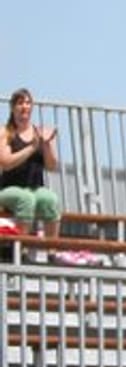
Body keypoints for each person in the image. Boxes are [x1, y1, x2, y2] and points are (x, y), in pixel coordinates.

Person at [0, 88, 63, 248]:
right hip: (8, 189)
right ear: (13, 107)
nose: (24, 107)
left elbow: (52, 165)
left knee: (51, 199)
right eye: (20, 103)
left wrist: (47, 144)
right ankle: (22, 250)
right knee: (26, 199)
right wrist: (31, 148)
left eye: (28, 103)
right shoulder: (6, 133)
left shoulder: (39, 132)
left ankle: (52, 252)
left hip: (35, 188)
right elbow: (6, 163)